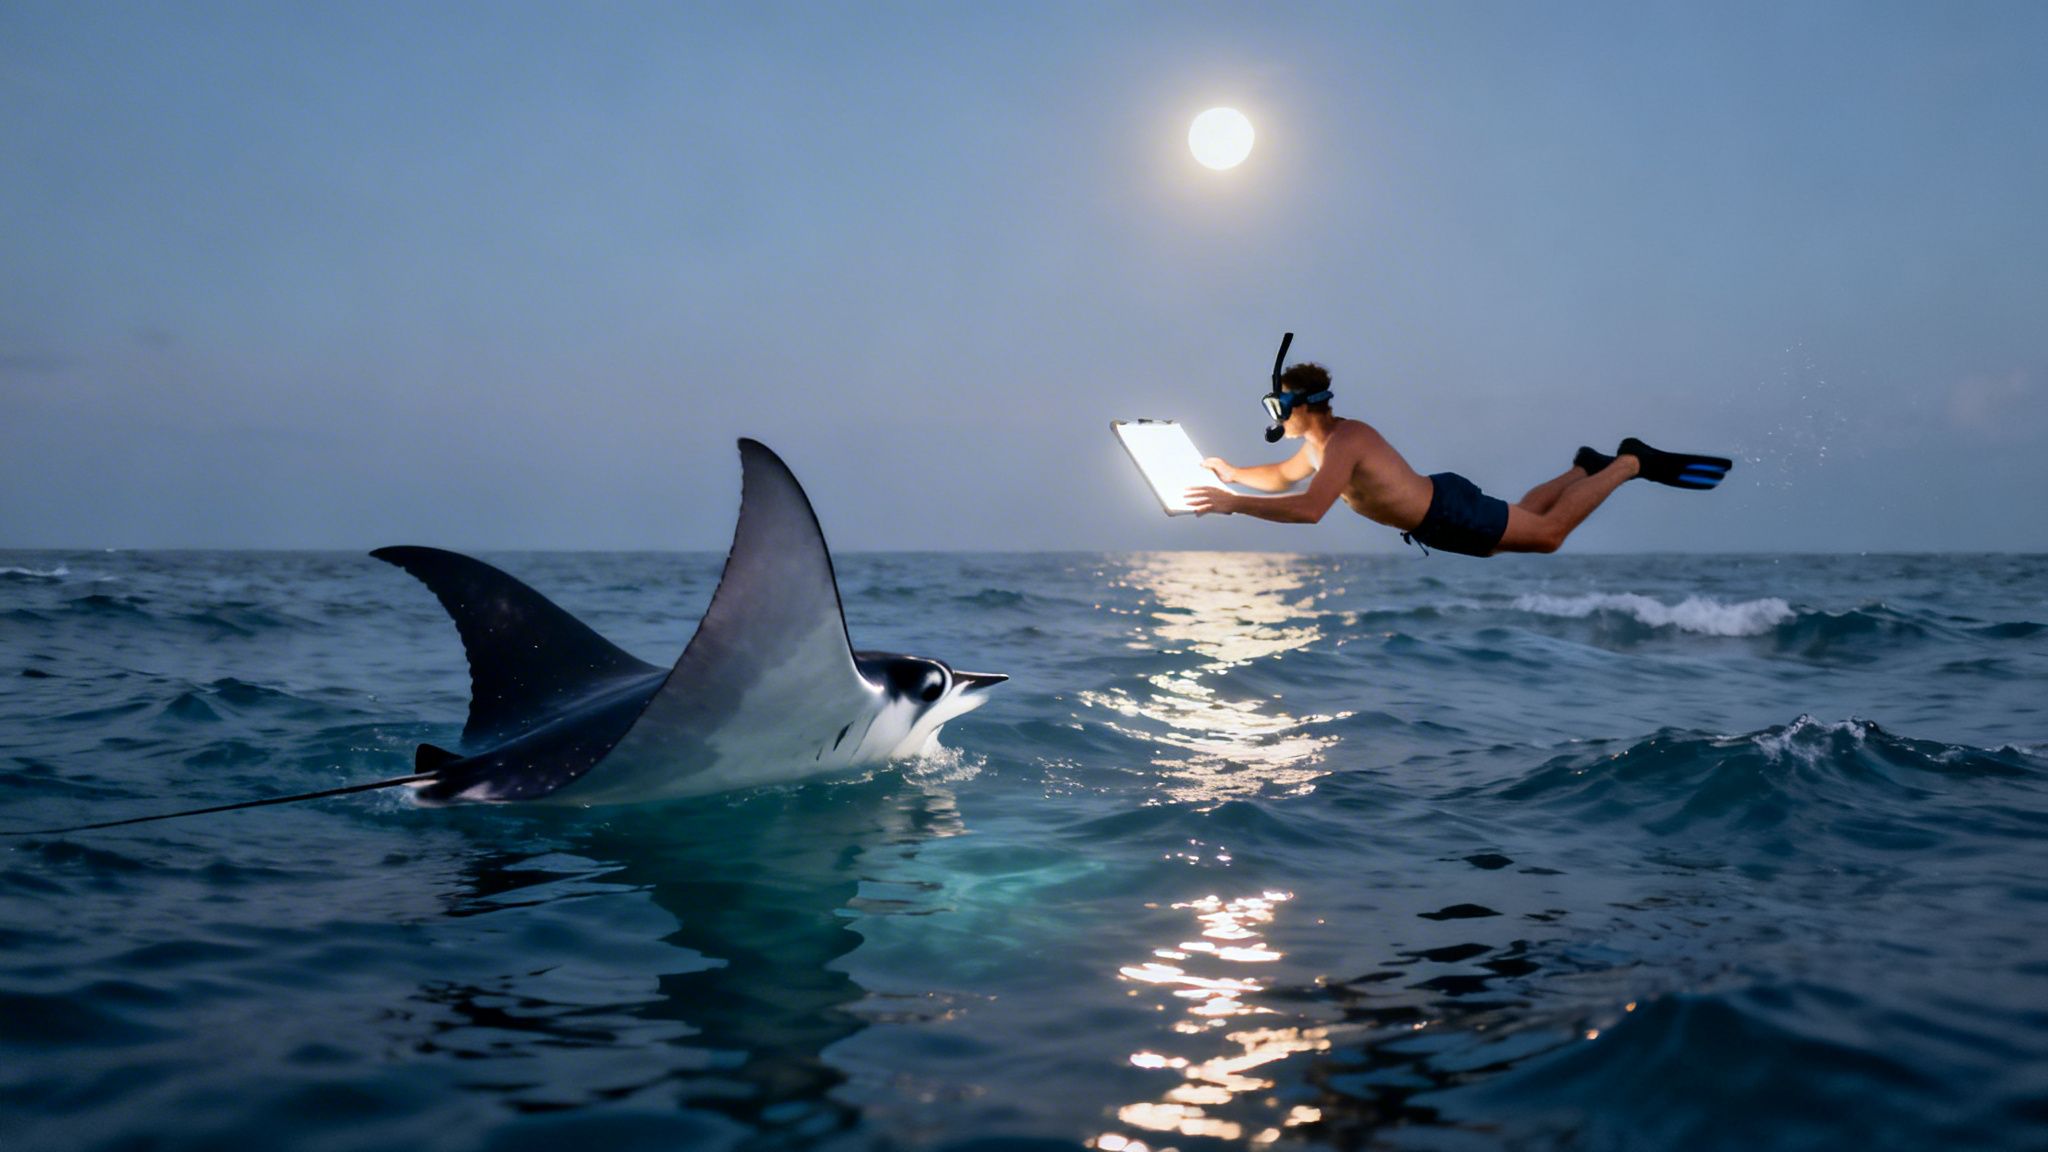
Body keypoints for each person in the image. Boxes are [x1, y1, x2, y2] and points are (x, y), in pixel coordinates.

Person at [1184, 361, 1731, 556]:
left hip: (1446, 511)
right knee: (1526, 515)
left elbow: (1309, 510)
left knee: (1548, 536)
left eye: (1277, 404)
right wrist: (1233, 473)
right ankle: (1583, 468)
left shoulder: (1347, 441)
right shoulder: (1318, 447)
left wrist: (1232, 505)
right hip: (1439, 519)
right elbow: (1281, 476)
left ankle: (1627, 463)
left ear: (1301, 405)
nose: (1275, 416)